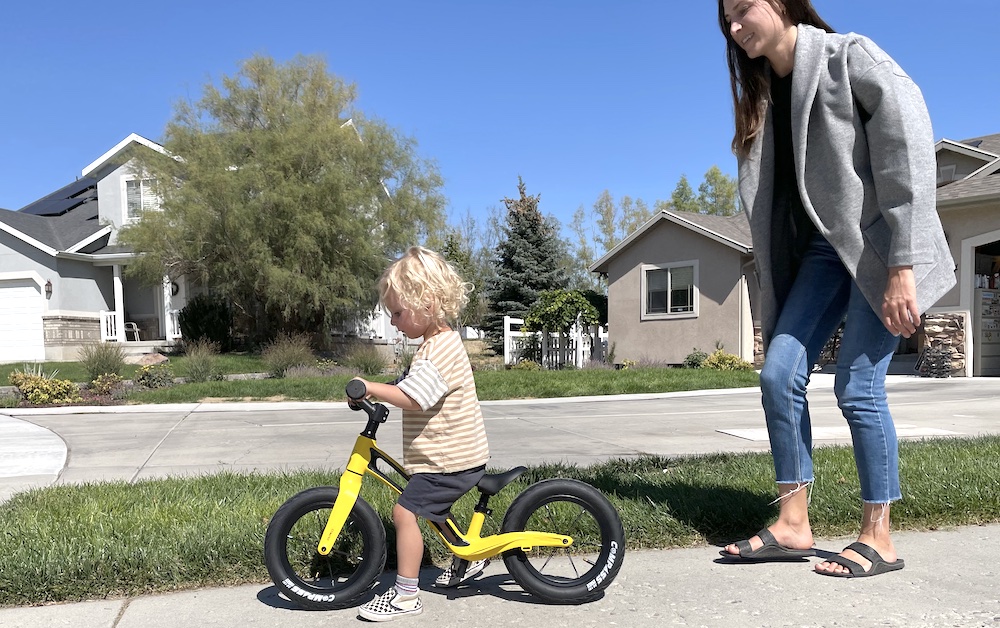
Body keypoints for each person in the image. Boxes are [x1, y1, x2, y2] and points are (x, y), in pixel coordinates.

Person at [716, 0, 956, 577]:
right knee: (779, 372)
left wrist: (904, 264)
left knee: (857, 384)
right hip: (824, 254)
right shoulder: (765, 95)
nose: (733, 26)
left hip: (880, 247)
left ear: (779, 3)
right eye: (725, 18)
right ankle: (794, 523)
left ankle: (879, 536)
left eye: (743, 9)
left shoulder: (849, 57)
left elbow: (906, 151)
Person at [352, 246, 491, 620]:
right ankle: (466, 558)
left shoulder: (440, 348)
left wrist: (370, 386)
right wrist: (378, 389)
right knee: (425, 505)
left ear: (426, 302)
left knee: (404, 512)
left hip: (450, 460)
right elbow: (410, 383)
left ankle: (405, 596)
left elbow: (414, 398)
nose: (394, 321)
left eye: (397, 312)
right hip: (449, 457)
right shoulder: (435, 343)